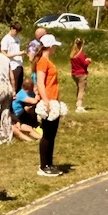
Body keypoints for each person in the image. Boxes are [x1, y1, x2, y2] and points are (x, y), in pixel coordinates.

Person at [34, 32, 63, 177]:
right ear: (50, 47)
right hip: (48, 101)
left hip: (53, 100)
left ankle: (49, 163)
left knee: (52, 134)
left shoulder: (47, 61)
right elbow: (40, 82)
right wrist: (45, 101)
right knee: (47, 134)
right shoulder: (43, 62)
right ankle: (43, 165)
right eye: (54, 46)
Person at [70, 37, 92, 112]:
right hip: (81, 74)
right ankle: (79, 106)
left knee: (79, 89)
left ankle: (78, 104)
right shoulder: (81, 55)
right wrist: (88, 61)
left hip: (74, 74)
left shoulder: (72, 54)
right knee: (81, 90)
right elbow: (84, 64)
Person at [4, 22, 25, 91]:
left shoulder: (17, 39)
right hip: (12, 66)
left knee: (19, 87)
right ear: (11, 28)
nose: (17, 33)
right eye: (16, 31)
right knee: (14, 88)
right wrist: (17, 54)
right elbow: (4, 54)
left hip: (19, 64)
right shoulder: (6, 39)